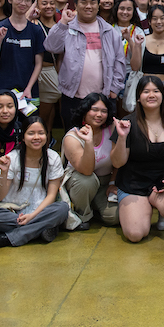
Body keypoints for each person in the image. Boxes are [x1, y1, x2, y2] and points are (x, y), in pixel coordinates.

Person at [113, 76, 164, 242]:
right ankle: (143, 205)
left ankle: (160, 208)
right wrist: (121, 137)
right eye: (146, 91)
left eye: (156, 91)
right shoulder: (127, 123)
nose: (151, 95)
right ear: (138, 97)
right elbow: (117, 163)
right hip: (133, 183)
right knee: (135, 234)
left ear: (163, 95)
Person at [43, 0, 127, 133]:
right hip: (72, 95)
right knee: (73, 136)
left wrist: (114, 88)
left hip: (103, 96)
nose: (88, 6)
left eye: (93, 2)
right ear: (76, 5)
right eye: (84, 2)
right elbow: (51, 46)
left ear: (98, 5)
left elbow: (119, 61)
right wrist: (62, 23)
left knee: (101, 138)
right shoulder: (68, 27)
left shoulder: (109, 31)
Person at [0, 116, 69, 249]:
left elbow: (52, 196)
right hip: (12, 212)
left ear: (47, 135)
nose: (36, 137)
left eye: (41, 133)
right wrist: (4, 173)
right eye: (31, 133)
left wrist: (31, 216)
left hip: (40, 211)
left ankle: (8, 238)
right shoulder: (12, 158)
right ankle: (40, 229)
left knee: (62, 208)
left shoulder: (53, 158)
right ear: (23, 137)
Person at [61, 93, 120, 230]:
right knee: (87, 180)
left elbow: (118, 161)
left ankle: (95, 207)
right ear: (84, 111)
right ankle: (83, 215)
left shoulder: (111, 129)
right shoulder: (72, 136)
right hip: (80, 181)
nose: (99, 115)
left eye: (104, 111)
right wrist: (88, 142)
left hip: (104, 183)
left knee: (114, 217)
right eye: (94, 110)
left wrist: (112, 182)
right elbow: (86, 170)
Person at [0, 0, 45, 106]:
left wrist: (29, 88)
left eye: (27, 0)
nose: (23, 3)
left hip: (29, 91)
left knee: (32, 124)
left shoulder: (36, 30)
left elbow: (39, 64)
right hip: (3, 90)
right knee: (4, 123)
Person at [34, 0, 62, 137]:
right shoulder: (33, 23)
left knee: (49, 112)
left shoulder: (60, 26)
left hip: (53, 72)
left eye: (52, 3)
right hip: (35, 73)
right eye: (44, 3)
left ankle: (48, 139)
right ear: (37, 5)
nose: (48, 6)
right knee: (38, 114)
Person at [130, 4, 164, 84]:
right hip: (144, 85)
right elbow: (135, 67)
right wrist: (136, 46)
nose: (159, 22)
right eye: (154, 19)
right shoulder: (141, 41)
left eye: (162, 18)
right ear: (149, 21)